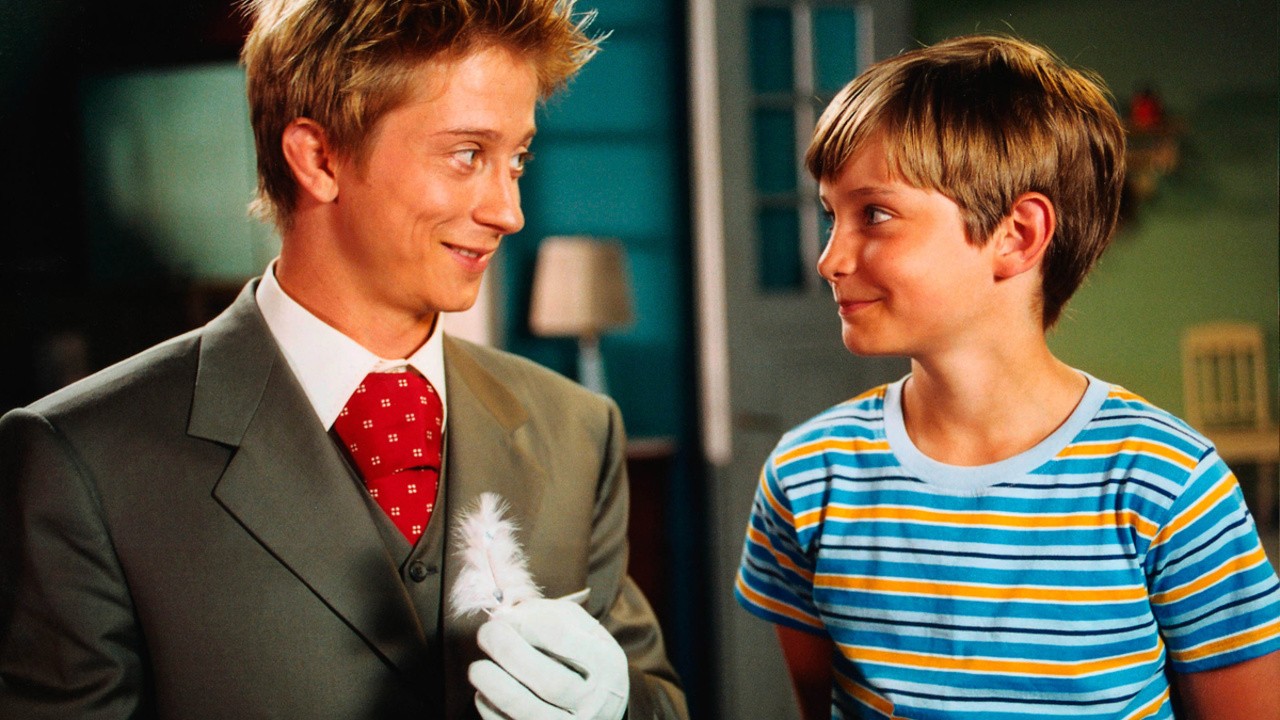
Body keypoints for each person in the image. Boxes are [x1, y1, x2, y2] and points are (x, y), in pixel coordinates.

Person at [0, 1, 687, 718]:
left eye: (516, 159)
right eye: (467, 155)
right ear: (318, 158)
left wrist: (619, 707)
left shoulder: (578, 430)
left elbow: (658, 700)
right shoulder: (82, 462)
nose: (508, 211)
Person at [735, 34, 1280, 720]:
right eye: (830, 215)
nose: (830, 260)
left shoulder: (1167, 483)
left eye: (874, 214)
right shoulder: (807, 478)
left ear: (1016, 235)